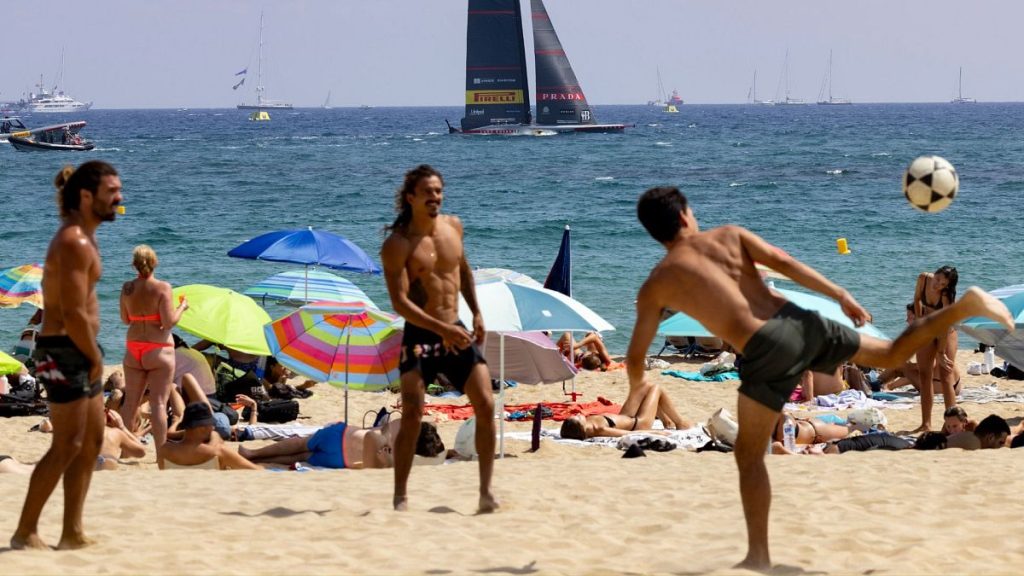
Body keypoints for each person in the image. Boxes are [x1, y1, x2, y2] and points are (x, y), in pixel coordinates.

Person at [625, 186, 1013, 570]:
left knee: (748, 454)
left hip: (765, 348)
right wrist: (840, 293)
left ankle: (758, 555)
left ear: (655, 232)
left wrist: (638, 382)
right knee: (891, 353)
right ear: (684, 216)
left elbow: (636, 352)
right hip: (801, 322)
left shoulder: (657, 282)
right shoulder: (729, 236)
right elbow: (788, 267)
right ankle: (966, 305)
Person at [11, 161, 123, 551]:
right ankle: (25, 531)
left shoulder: (84, 239)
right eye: (112, 191)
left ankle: (71, 531)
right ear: (87, 196)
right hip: (65, 351)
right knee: (66, 444)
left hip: (79, 349)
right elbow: (74, 312)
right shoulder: (73, 241)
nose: (119, 197)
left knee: (90, 442)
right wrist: (94, 356)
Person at [380, 164, 497, 513]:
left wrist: (476, 312)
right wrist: (442, 329)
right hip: (420, 336)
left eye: (439, 191)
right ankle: (400, 495)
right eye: (428, 192)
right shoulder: (397, 245)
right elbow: (400, 302)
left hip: (456, 329)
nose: (435, 197)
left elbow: (462, 271)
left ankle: (485, 492)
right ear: (411, 197)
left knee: (487, 404)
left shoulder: (453, 227)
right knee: (414, 413)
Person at [118, 245, 188, 456]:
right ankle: (162, 453)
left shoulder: (127, 288)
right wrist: (182, 307)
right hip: (158, 349)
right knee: (158, 404)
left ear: (134, 264)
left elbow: (125, 319)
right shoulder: (163, 288)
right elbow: (168, 323)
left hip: (134, 347)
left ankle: (124, 451)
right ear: (155, 262)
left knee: (131, 403)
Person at [239, 419, 446, 469]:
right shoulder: (404, 456)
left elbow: (381, 428)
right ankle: (258, 460)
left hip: (343, 436)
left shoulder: (403, 424)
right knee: (301, 457)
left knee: (300, 445)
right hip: (342, 460)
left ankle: (254, 454)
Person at [912, 266, 960, 430]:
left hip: (945, 332)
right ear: (936, 273)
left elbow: (945, 327)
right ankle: (926, 424)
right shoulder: (923, 278)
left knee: (946, 377)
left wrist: (940, 352)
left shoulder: (946, 297)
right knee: (924, 376)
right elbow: (917, 299)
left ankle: (952, 425)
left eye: (942, 284)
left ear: (947, 286)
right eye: (938, 279)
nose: (937, 284)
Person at [559, 383, 691, 439]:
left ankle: (666, 421)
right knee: (657, 388)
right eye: (576, 418)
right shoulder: (598, 428)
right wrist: (655, 432)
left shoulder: (587, 425)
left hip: (625, 416)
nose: (577, 414)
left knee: (642, 388)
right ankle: (679, 423)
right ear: (580, 427)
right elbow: (626, 434)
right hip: (638, 423)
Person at [160, 402, 260, 470]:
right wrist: (216, 438)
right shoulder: (218, 452)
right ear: (202, 428)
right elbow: (255, 470)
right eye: (211, 425)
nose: (212, 428)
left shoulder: (165, 450)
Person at [945, 414, 1010, 450]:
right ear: (991, 438)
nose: (1001, 447)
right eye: (1000, 442)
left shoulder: (971, 436)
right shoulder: (974, 443)